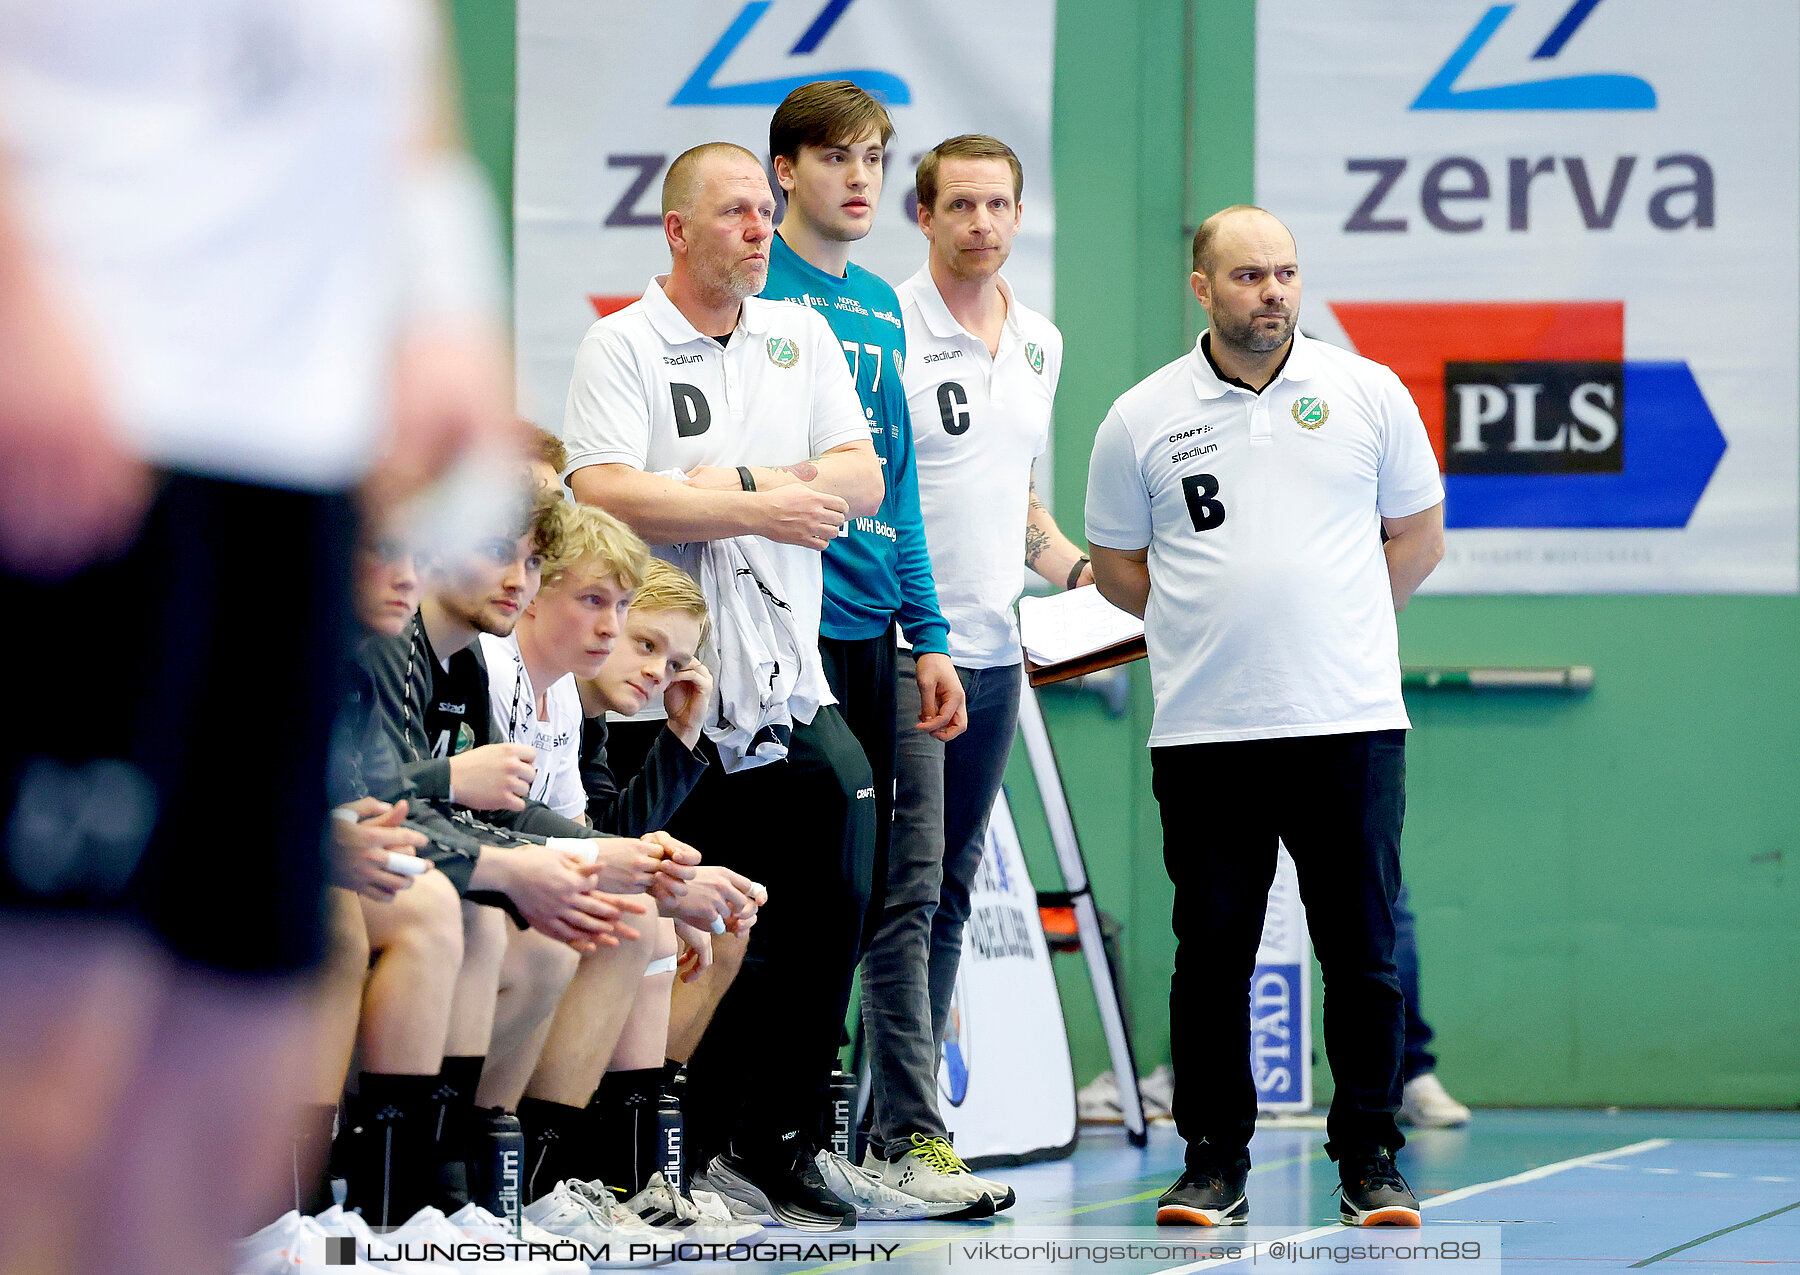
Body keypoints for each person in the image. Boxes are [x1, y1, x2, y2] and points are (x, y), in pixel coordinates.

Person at [0, 4, 515, 1272]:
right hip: (92, 428)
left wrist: (448, 304)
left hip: (297, 459)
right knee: (48, 1075)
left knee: (223, 1073)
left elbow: (400, 60)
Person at [1084, 205, 1445, 1229]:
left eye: (1285, 273)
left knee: (1364, 955)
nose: (1273, 292)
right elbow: (1118, 568)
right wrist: (1213, 628)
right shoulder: (1140, 416)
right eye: (1248, 276)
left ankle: (1370, 1159)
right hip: (1208, 736)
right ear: (1202, 288)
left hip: (1350, 724)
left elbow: (1418, 537)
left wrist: (1338, 627)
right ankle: (1213, 1164)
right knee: (1211, 962)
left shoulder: (1367, 392)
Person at [562, 141, 881, 1232]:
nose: (760, 229)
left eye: (764, 212)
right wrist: (762, 505)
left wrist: (727, 484)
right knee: (695, 928)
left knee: (832, 906)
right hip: (669, 703)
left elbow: (859, 475)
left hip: (791, 689)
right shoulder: (623, 344)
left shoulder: (803, 335)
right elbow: (605, 490)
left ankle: (783, 1142)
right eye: (737, 212)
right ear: (678, 229)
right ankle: (642, 1160)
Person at [859, 134, 1089, 1212]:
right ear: (925, 216)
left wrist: (1086, 573)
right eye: (961, 206)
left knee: (947, 889)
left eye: (1000, 206)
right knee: (901, 894)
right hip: (909, 646)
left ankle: (886, 1134)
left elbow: (1020, 505)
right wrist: (920, 624)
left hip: (1001, 652)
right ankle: (903, 1132)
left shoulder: (1040, 341)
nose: (983, 225)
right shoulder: (885, 324)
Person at [756, 79, 966, 958]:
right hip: (783, 616)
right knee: (787, 877)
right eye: (835, 157)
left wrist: (930, 634)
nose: (859, 178)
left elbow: (901, 483)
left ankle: (827, 1085)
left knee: (868, 887)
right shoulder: (757, 280)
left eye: (873, 159)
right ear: (784, 171)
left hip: (876, 626)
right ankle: (755, 1095)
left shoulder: (884, 302)